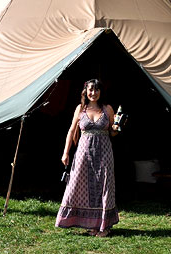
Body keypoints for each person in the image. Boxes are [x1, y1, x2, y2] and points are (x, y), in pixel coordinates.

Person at [55, 79, 120, 237]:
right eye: (91, 90)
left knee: (104, 187)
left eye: (97, 90)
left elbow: (113, 132)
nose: (94, 93)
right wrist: (66, 152)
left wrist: (117, 128)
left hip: (104, 153)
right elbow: (71, 131)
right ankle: (90, 224)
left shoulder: (108, 109)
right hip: (84, 154)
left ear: (101, 92)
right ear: (85, 91)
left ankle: (104, 227)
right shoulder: (80, 109)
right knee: (79, 185)